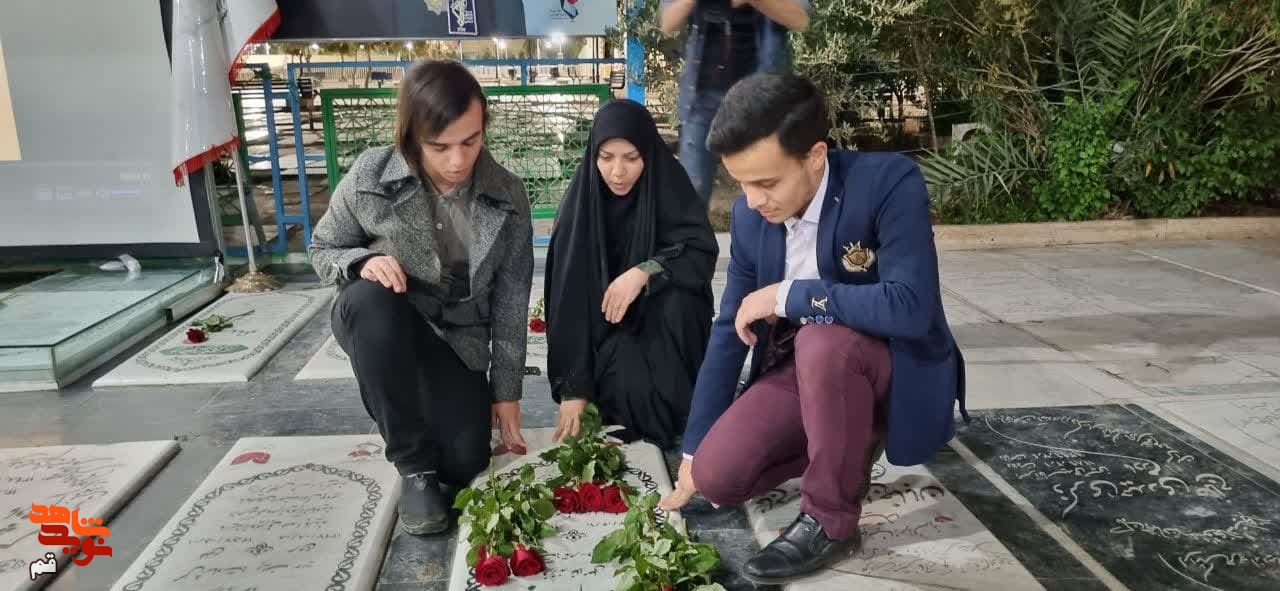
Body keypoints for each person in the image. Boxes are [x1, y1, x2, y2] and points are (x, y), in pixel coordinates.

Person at [657, 73, 969, 584]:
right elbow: (730, 326)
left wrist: (787, 296)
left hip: (890, 365)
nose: (752, 200)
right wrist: (693, 449)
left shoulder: (887, 182)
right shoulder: (751, 217)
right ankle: (844, 441)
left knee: (823, 340)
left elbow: (910, 306)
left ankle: (831, 519)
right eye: (741, 182)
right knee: (718, 477)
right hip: (802, 368)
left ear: (815, 156)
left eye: (767, 183)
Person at [309, 60, 534, 536]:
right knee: (370, 301)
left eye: (470, 141)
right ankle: (412, 466)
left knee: (465, 462)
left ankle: (426, 422)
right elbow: (323, 247)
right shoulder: (371, 175)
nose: (457, 161)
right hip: (386, 319)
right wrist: (360, 262)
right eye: (440, 146)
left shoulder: (507, 194)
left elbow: (512, 298)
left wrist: (506, 391)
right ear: (413, 135)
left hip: (457, 339)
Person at [544, 99, 719, 448]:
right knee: (625, 385)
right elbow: (567, 300)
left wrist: (645, 271)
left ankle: (672, 401)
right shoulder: (580, 208)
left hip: (663, 326)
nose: (617, 172)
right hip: (605, 332)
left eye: (631, 158)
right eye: (606, 158)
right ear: (593, 156)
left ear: (648, 155)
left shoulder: (669, 186)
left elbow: (699, 251)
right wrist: (573, 387)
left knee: (680, 297)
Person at [660, 0, 812, 204]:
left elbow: (800, 19)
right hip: (702, 95)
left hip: (762, 99)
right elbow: (668, 23)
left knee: (767, 185)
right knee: (691, 190)